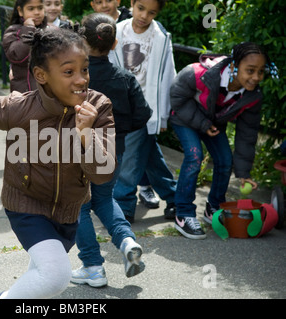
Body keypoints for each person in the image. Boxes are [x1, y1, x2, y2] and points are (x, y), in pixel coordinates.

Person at [0, 27, 116, 299]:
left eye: (85, 70)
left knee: (41, 274)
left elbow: (102, 175)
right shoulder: (19, 109)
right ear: (42, 75)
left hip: (68, 209)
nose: (81, 80)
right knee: (55, 275)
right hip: (25, 203)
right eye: (69, 72)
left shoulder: (98, 107)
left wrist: (86, 135)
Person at [70, 13, 151, 288]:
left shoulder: (74, 77)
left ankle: (93, 266)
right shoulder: (125, 78)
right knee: (105, 200)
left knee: (79, 205)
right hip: (113, 151)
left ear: (82, 41)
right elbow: (143, 114)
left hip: (78, 151)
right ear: (115, 43)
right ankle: (127, 242)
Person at [169, 42, 278, 239]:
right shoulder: (197, 73)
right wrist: (202, 124)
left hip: (212, 125)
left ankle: (214, 207)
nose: (256, 77)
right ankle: (183, 213)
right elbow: (177, 98)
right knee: (194, 156)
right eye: (250, 70)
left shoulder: (252, 96)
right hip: (184, 118)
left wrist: (244, 172)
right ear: (234, 66)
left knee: (225, 161)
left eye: (261, 72)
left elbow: (247, 134)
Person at [109, 0, 177, 222]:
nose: (144, 16)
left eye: (151, 12)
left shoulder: (161, 37)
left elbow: (168, 76)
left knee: (129, 158)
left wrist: (164, 114)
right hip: (121, 106)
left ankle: (123, 206)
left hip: (146, 108)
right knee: (150, 157)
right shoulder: (117, 31)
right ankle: (176, 198)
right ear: (132, 4)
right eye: (140, 8)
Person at [2, 0, 47, 93]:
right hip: (25, 94)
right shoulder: (13, 32)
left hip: (48, 93)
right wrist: (29, 30)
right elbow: (17, 57)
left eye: (40, 8)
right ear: (20, 11)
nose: (37, 12)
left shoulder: (49, 31)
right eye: (31, 9)